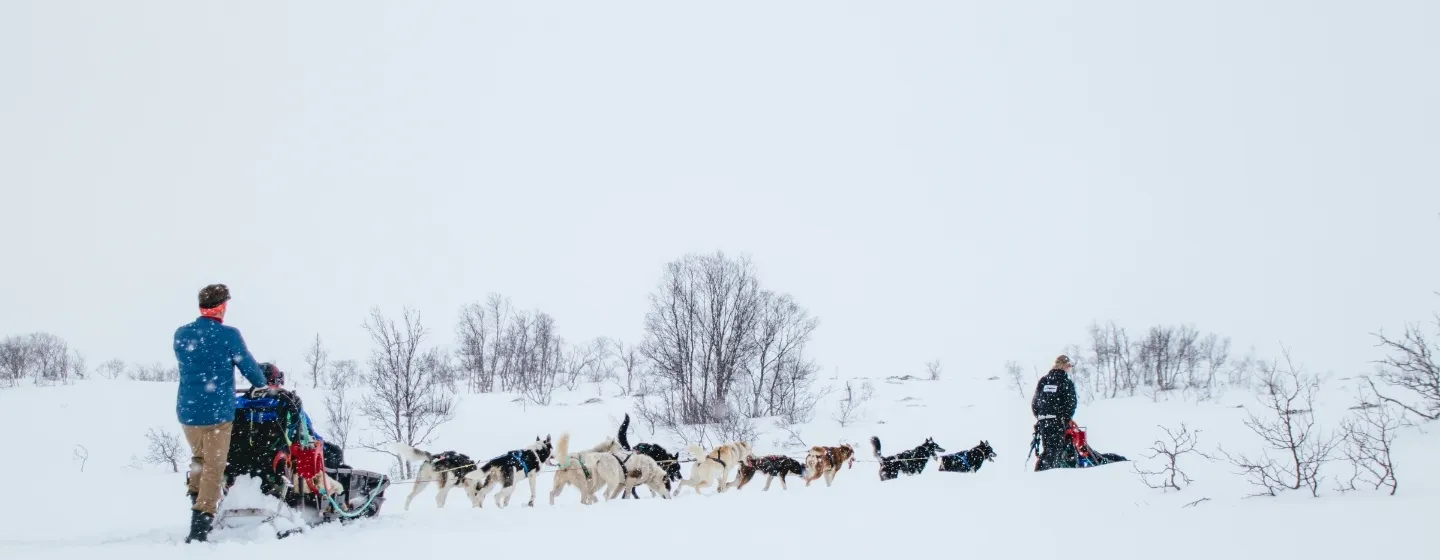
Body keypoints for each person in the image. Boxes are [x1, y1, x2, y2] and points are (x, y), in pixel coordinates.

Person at [173, 283, 268, 543]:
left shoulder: (181, 334)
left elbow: (197, 363)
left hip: (188, 413)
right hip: (217, 414)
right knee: (214, 468)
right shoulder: (229, 335)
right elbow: (248, 366)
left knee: (199, 460)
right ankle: (200, 528)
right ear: (222, 306)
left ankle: (196, 501)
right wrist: (262, 384)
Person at [1030, 354, 1078, 471]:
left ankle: (1044, 471)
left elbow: (1035, 403)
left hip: (1043, 423)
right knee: (1055, 451)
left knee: (1049, 449)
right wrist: (1066, 419)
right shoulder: (1065, 382)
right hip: (1057, 422)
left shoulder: (1044, 380)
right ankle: (1045, 474)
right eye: (1068, 366)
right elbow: (1071, 403)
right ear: (1065, 366)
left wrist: (1041, 417)